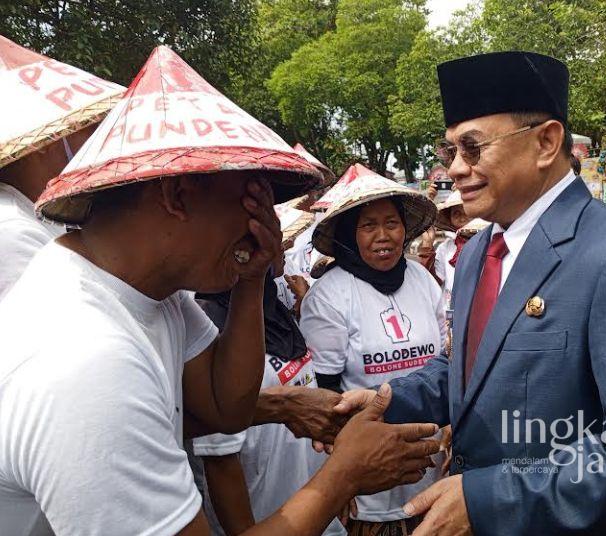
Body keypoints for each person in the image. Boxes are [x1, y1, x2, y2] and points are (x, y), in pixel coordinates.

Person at [0, 46, 440, 536]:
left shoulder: (155, 295)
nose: (264, 229)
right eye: (253, 201)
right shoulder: (85, 361)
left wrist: (251, 281)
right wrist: (343, 476)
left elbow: (224, 408)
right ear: (178, 196)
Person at [334, 51, 606, 536]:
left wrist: (490, 499)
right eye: (448, 152)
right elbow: (477, 367)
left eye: (472, 148)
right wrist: (388, 399)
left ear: (546, 143)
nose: (455, 170)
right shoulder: (476, 253)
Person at [300, 174, 444, 536]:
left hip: (434, 464)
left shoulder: (422, 279)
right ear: (350, 236)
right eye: (368, 226)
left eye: (392, 223)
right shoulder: (330, 296)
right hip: (372, 487)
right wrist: (342, 477)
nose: (384, 235)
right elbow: (327, 395)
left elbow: (447, 360)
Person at [191, 250, 346, 536]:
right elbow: (220, 461)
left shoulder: (272, 308)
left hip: (315, 513)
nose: (280, 241)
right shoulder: (209, 326)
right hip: (269, 520)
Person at [0, 35, 123, 299]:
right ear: (43, 142)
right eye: (86, 129)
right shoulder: (13, 230)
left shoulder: (41, 215)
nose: (97, 145)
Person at [433, 189, 472, 304]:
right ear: (450, 219)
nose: (462, 217)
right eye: (456, 213)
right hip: (451, 310)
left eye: (466, 211)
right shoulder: (445, 248)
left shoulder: (489, 242)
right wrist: (426, 247)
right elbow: (435, 281)